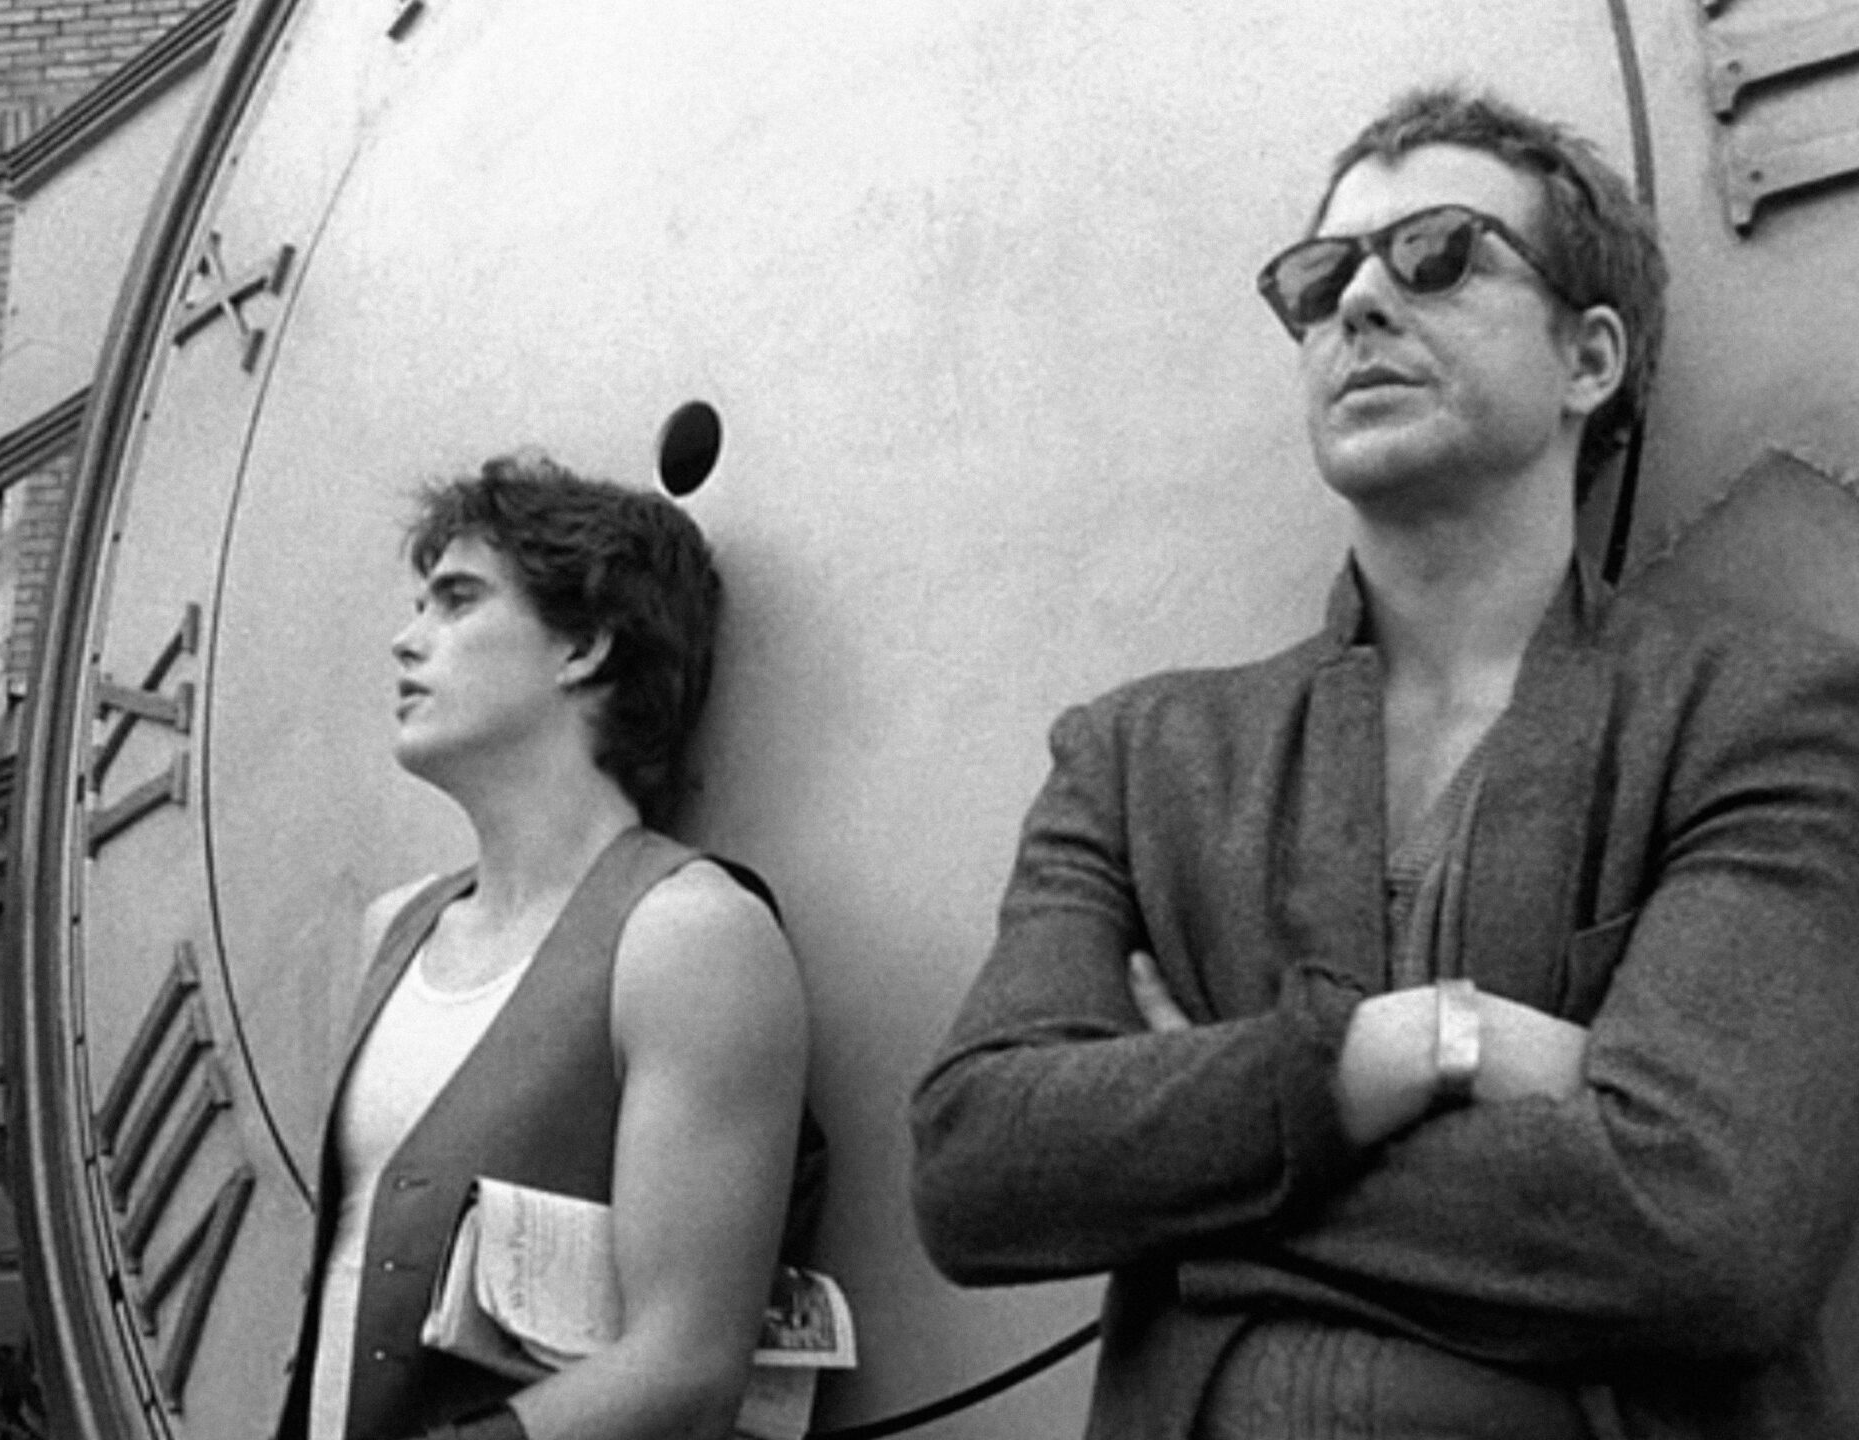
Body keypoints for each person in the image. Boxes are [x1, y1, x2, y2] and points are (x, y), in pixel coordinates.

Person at [911, 86, 1859, 1438]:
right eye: (1319, 278)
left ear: (1589, 358)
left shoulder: (1759, 718)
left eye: (1437, 254)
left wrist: (1196, 1191)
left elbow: (1709, 1231)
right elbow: (978, 1169)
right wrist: (1409, 1050)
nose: (1356, 301)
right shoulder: (1135, 758)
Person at [277, 454, 811, 1440]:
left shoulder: (687, 935)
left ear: (584, 646)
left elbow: (689, 1367)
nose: (407, 640)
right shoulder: (394, 929)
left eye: (457, 601)